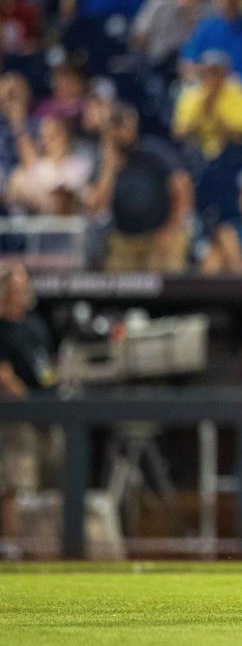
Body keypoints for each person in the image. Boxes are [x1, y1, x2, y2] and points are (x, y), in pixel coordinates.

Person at [84, 104, 192, 272]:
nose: (121, 131)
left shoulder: (153, 150)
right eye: (115, 125)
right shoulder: (103, 161)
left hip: (158, 233)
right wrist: (109, 168)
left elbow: (182, 185)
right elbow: (96, 208)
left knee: (167, 273)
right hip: (122, 238)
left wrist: (171, 228)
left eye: (125, 124)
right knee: (114, 282)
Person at [0, 264, 56, 542]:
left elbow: (46, 368)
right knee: (17, 484)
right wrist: (30, 401)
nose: (20, 293)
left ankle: (41, 548)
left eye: (23, 288)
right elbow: (4, 376)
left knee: (49, 484)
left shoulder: (35, 324)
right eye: (14, 288)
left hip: (46, 412)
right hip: (14, 417)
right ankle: (11, 549)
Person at [172, 49, 242, 160]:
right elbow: (179, 132)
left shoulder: (240, 95)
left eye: (216, 73)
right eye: (206, 73)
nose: (211, 78)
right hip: (197, 150)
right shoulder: (190, 95)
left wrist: (218, 118)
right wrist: (203, 109)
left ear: (226, 74)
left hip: (232, 150)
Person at [5, 111, 92, 215]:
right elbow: (14, 194)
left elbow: (89, 199)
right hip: (41, 226)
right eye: (44, 137)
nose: (48, 142)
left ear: (65, 136)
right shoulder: (38, 167)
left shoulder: (80, 164)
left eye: (53, 136)